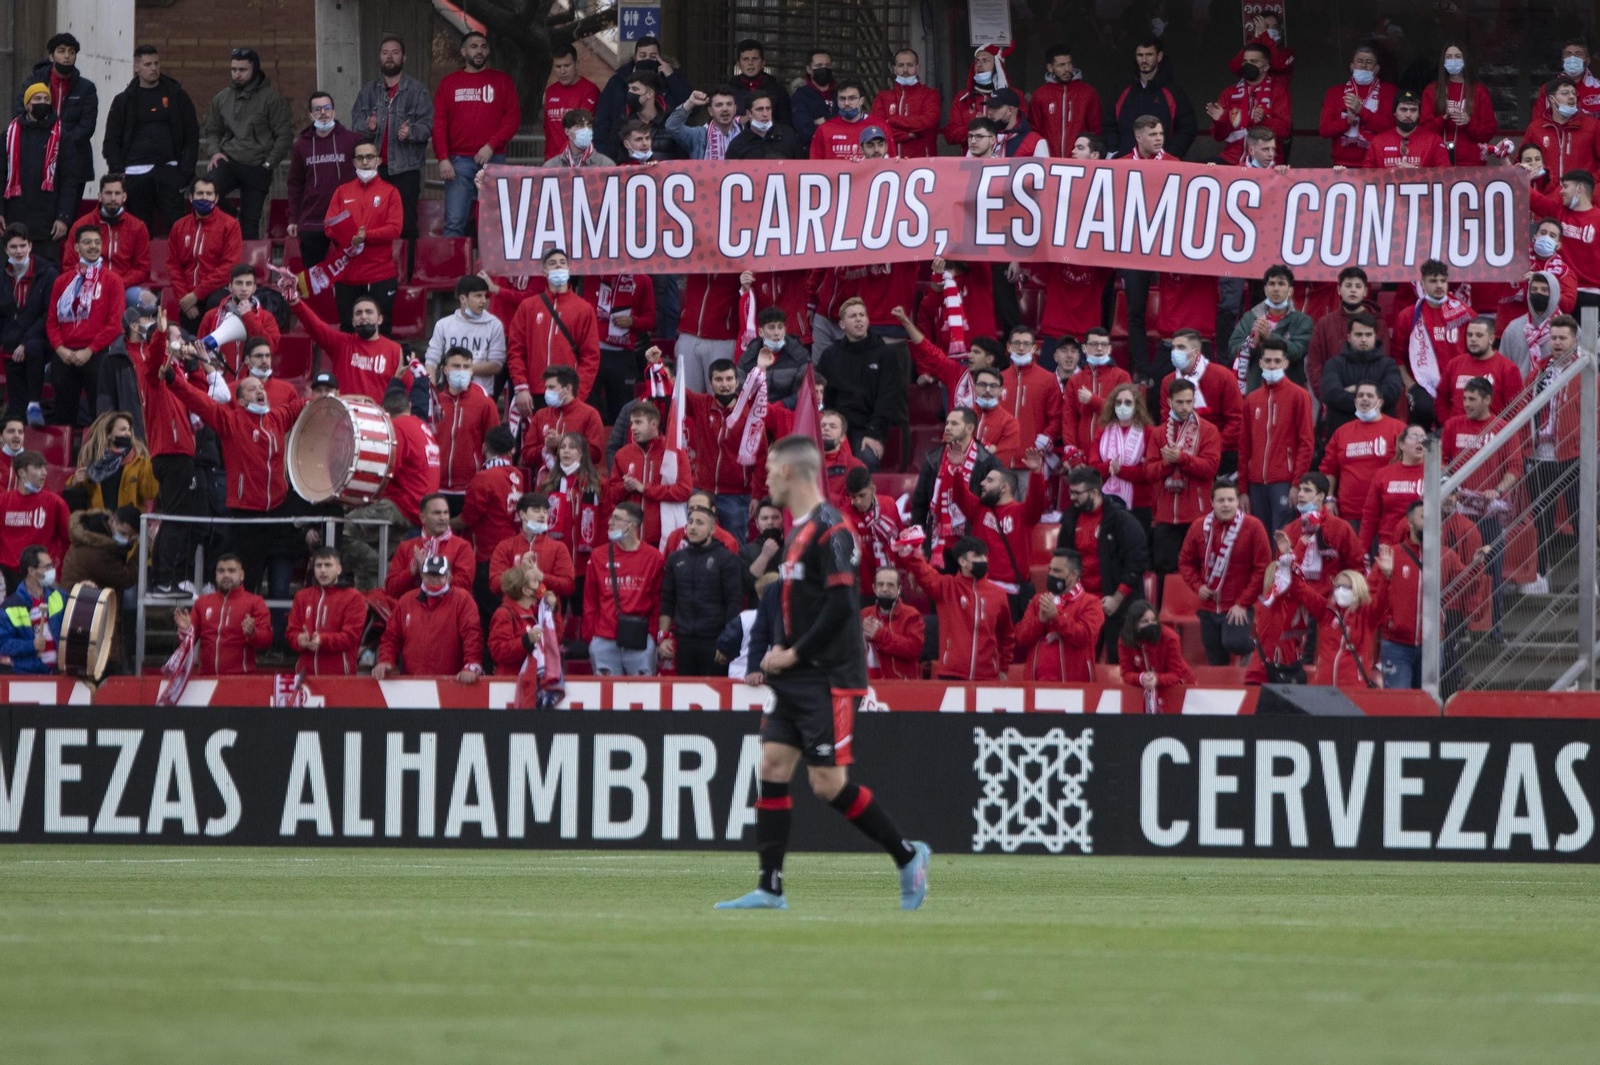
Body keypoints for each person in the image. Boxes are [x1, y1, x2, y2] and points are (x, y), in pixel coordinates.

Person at [716, 434, 931, 912]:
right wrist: (780, 649)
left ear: (790, 473)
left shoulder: (834, 529)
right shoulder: (796, 532)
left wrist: (793, 654)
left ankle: (907, 856)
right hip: (797, 675)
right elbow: (799, 605)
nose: (765, 477)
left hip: (828, 676)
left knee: (827, 783)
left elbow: (841, 606)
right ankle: (770, 887)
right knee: (771, 767)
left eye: (771, 468)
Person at [164, 361, 305, 602]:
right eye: (252, 389)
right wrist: (173, 380)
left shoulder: (278, 418)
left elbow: (306, 405)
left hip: (279, 512)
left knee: (280, 589)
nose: (260, 391)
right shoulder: (231, 421)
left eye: (261, 388)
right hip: (246, 515)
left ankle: (275, 637)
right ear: (239, 401)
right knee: (248, 584)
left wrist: (337, 398)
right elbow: (200, 401)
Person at [102, 45, 199, 237]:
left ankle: (179, 266)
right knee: (139, 231)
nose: (154, 68)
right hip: (134, 174)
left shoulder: (176, 95)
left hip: (170, 171)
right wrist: (120, 172)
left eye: (156, 63)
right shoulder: (124, 100)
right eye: (148, 64)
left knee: (178, 229)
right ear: (136, 67)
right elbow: (111, 141)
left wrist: (185, 172)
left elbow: (191, 134)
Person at [433, 32, 520, 238]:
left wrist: (491, 145)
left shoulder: (503, 81)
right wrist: (443, 159)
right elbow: (438, 123)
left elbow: (512, 119)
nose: (479, 50)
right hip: (457, 163)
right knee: (454, 223)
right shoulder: (448, 83)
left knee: (496, 224)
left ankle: (491, 271)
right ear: (463, 52)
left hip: (494, 160)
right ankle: (453, 271)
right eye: (473, 46)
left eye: (483, 46)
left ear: (488, 50)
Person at [201, 48, 294, 239]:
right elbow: (212, 131)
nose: (237, 74)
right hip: (229, 159)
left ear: (254, 69)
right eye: (234, 69)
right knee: (205, 192)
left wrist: (269, 163)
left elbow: (284, 135)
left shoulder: (271, 99)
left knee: (250, 224)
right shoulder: (221, 98)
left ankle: (247, 268)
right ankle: (230, 216)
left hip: (258, 165)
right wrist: (215, 152)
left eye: (243, 70)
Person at [352, 34, 433, 249]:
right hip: (373, 169)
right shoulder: (368, 91)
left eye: (395, 52)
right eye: (385, 52)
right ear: (379, 57)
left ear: (403, 58)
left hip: (405, 170)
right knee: (372, 223)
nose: (390, 57)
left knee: (406, 225)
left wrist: (412, 132)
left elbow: (428, 127)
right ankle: (375, 273)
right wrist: (369, 127)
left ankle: (407, 274)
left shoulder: (417, 91)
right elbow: (355, 125)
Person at [898, 533, 1014, 681]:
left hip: (986, 675)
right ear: (962, 561)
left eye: (985, 556)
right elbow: (925, 574)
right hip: (952, 673)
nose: (983, 560)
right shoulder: (947, 587)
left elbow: (1006, 634)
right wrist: (914, 554)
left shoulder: (998, 594)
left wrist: (1003, 667)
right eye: (978, 556)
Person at [1178, 481, 1270, 665]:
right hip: (1208, 606)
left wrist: (1243, 603)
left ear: (1238, 502)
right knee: (1215, 660)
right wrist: (1198, 586)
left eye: (1230, 499)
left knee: (1233, 642)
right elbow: (1185, 562)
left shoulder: (1253, 526)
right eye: (1221, 500)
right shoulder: (1199, 526)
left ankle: (1257, 651)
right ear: (1211, 502)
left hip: (1237, 605)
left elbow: (1263, 568)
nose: (1226, 504)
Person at [1276, 530, 1384, 688]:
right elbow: (1300, 588)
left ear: (1357, 589)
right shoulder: (1325, 611)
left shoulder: (1367, 616)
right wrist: (1288, 557)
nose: (1340, 590)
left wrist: (1387, 576)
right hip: (1323, 688)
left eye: (1346, 586)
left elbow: (1383, 600)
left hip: (1354, 689)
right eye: (1337, 586)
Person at [1063, 464, 1147, 663]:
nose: (1072, 498)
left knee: (1120, 661)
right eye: (1070, 492)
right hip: (1084, 605)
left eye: (1077, 493)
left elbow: (1137, 562)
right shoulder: (1070, 520)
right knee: (1080, 662)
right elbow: (1063, 559)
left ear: (1094, 492)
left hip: (1117, 605)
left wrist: (1117, 598)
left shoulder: (1122, 521)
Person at [1144, 378, 1221, 592]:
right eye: (1180, 402)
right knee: (1163, 568)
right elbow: (1149, 472)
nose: (1185, 407)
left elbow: (1210, 469)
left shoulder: (1208, 431)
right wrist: (1168, 463)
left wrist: (1182, 459)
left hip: (1197, 515)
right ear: (1169, 402)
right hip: (1166, 515)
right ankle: (1161, 616)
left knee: (1198, 568)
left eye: (1189, 401)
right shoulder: (1159, 433)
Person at [46, 226, 125, 426]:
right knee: (63, 414)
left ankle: (99, 455)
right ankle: (64, 456)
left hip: (96, 352)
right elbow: (52, 322)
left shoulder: (113, 280)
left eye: (97, 242)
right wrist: (59, 348)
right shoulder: (62, 281)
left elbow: (114, 324)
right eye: (87, 242)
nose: (93, 247)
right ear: (76, 247)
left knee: (100, 415)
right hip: (65, 352)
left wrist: (90, 350)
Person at [952, 455, 1048, 618]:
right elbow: (960, 494)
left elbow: (1038, 501)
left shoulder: (1022, 513)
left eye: (989, 481)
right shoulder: (978, 509)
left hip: (1011, 595)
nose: (982, 483)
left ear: (1004, 487)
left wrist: (1037, 473)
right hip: (980, 589)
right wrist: (956, 469)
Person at [816, 299, 907, 473]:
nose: (858, 320)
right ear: (842, 324)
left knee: (866, 460)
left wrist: (873, 433)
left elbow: (888, 398)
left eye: (862, 315)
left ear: (867, 321)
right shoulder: (830, 355)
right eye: (853, 316)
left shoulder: (885, 354)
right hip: (834, 425)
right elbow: (821, 395)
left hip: (867, 427)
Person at [506, 249, 600, 414]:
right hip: (533, 392)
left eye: (562, 263)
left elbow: (590, 357)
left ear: (569, 270)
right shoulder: (528, 307)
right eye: (552, 263)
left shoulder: (584, 309)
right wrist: (521, 387)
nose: (558, 265)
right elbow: (515, 351)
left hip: (568, 393)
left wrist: (577, 393)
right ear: (544, 272)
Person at [323, 141, 402, 332]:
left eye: (370, 157)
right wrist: (348, 237)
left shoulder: (390, 192)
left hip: (379, 273)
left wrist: (366, 236)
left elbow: (395, 228)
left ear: (378, 160)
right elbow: (328, 226)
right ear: (354, 162)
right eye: (360, 158)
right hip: (347, 275)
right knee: (348, 330)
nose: (365, 162)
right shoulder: (342, 191)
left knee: (381, 331)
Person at [1236, 339, 1313, 531]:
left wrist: (1297, 483)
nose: (1272, 365)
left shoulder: (1299, 396)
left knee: (1282, 537)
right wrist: (1243, 489)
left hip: (1284, 481)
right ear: (1260, 363)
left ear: (1285, 363)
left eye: (1277, 361)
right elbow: (1244, 446)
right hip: (1255, 483)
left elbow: (1306, 443)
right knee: (1259, 536)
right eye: (1268, 361)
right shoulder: (1252, 399)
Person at [581, 501, 665, 676]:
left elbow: (659, 602)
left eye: (617, 519)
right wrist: (592, 637)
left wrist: (652, 635)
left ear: (632, 525)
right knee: (605, 700)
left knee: (642, 698)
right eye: (611, 517)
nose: (610, 522)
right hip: (604, 638)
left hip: (640, 640)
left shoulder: (653, 557)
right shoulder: (598, 555)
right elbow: (590, 600)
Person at [658, 506, 742, 677]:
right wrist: (663, 637)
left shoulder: (726, 559)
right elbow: (667, 601)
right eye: (690, 522)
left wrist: (727, 642)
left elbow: (734, 603)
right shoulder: (676, 558)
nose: (693, 527)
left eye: (699, 523)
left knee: (714, 699)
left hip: (714, 641)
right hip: (682, 641)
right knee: (683, 698)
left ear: (712, 529)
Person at [373, 554, 483, 682]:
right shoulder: (406, 601)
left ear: (448, 576)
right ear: (422, 575)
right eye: (429, 575)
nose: (433, 579)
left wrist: (471, 665)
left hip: (451, 683)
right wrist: (386, 660)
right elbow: (391, 636)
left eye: (438, 575)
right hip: (413, 681)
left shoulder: (462, 600)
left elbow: (472, 635)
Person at [910, 408, 1002, 561]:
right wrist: (917, 543)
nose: (947, 428)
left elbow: (995, 507)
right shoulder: (933, 459)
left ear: (970, 428)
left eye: (954, 423)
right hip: (938, 545)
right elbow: (920, 504)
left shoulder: (988, 462)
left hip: (972, 545)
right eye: (946, 423)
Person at [0, 83, 78, 259]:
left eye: (46, 99)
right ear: (27, 105)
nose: (42, 102)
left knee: (45, 273)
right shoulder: (9, 135)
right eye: (37, 99)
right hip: (15, 218)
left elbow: (69, 179)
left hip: (47, 222)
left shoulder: (61, 136)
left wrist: (63, 217)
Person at [18, 34, 96, 208]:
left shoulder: (87, 88)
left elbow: (87, 126)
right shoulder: (33, 82)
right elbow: (20, 114)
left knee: (69, 216)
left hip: (75, 159)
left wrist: (60, 142)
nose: (67, 56)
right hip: (37, 156)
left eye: (72, 52)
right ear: (52, 56)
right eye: (61, 51)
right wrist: (46, 141)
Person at [285, 286, 403, 400]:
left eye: (369, 312)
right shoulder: (342, 344)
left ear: (380, 319)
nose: (363, 316)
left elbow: (405, 392)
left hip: (376, 416)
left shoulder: (396, 351)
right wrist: (295, 300)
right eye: (358, 313)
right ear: (353, 322)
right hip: (344, 414)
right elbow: (315, 326)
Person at [285, 90, 360, 269]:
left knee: (348, 274)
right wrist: (293, 219)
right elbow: (295, 184)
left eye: (327, 108)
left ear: (334, 112)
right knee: (314, 277)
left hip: (344, 219)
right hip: (311, 221)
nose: (323, 113)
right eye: (317, 109)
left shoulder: (352, 140)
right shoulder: (301, 145)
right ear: (311, 115)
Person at [1395, 259, 1472, 429]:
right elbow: (1398, 358)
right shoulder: (1409, 316)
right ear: (1422, 283)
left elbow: (1472, 352)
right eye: (1433, 280)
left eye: (1442, 281)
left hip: (1456, 383)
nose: (1439, 285)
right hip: (1422, 384)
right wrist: (1411, 386)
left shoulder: (1463, 314)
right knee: (1422, 408)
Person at [1320, 383, 1406, 533]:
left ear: (1380, 402)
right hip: (1350, 513)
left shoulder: (1398, 429)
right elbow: (1329, 469)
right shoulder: (1342, 432)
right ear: (1355, 402)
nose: (1364, 399)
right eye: (1360, 396)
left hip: (1386, 513)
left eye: (1370, 395)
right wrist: (1329, 499)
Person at [1305, 268, 1390, 416]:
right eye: (1348, 285)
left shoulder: (1378, 323)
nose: (1353, 290)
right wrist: (1328, 396)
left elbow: (1383, 362)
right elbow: (1314, 365)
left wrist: (1364, 394)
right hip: (1334, 402)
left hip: (1368, 402)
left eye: (1358, 286)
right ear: (1339, 289)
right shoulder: (1324, 324)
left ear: (1365, 291)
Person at [606, 401, 691, 548]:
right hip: (630, 536)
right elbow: (611, 494)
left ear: (653, 424)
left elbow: (684, 491)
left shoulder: (673, 452)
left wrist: (645, 488)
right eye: (632, 423)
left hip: (662, 535)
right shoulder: (622, 454)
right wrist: (625, 487)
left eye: (638, 422)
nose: (633, 428)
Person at [1015, 548, 1104, 682]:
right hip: (1036, 685)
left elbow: (1083, 636)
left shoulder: (1091, 603)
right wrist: (1041, 620)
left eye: (1057, 571)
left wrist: (1056, 617)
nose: (1050, 574)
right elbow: (1021, 637)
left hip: (1074, 688)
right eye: (1050, 569)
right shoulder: (1038, 601)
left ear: (1073, 575)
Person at [174, 554, 272, 675]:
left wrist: (252, 632)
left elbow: (266, 640)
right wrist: (185, 631)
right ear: (216, 575)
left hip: (241, 680)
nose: (226, 575)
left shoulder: (255, 602)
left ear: (241, 575)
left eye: (231, 571)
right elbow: (187, 643)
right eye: (221, 571)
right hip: (206, 679)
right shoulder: (202, 602)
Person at [0, 224, 59, 425]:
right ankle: (17, 418)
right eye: (13, 247)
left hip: (40, 339)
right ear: (6, 249)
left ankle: (34, 404)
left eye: (22, 246)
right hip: (11, 341)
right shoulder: (2, 275)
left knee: (32, 347)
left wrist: (24, 342)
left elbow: (48, 313)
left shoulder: (47, 273)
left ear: (30, 246)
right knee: (15, 410)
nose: (18, 251)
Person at [167, 176, 242, 329]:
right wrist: (185, 299)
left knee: (215, 304)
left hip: (217, 290)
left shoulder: (230, 225)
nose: (205, 198)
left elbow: (229, 266)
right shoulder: (179, 226)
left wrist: (196, 294)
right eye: (200, 193)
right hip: (188, 293)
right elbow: (173, 265)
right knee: (188, 334)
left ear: (216, 198)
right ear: (191, 197)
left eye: (209, 194)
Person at [593, 37, 691, 154]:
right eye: (643, 56)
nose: (647, 60)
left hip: (663, 151)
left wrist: (672, 77)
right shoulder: (617, 82)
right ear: (635, 58)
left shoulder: (669, 79)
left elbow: (691, 107)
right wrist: (603, 158)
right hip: (623, 153)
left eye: (653, 56)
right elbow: (602, 122)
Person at [1103, 37, 1196, 159]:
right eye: (1140, 55)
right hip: (1125, 162)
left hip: (1161, 166)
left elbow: (1187, 127)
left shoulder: (1173, 91)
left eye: (1149, 55)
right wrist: (1114, 150)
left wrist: (1170, 155)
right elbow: (1108, 123)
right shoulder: (1122, 89)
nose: (1144, 60)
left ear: (1159, 57)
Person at [1159, 328, 1242, 464]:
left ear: (1196, 352)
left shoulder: (1223, 376)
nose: (1175, 352)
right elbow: (1166, 421)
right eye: (1173, 347)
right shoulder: (1168, 381)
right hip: (1180, 452)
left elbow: (1236, 420)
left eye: (1181, 347)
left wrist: (1211, 446)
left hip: (1221, 452)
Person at [1227, 265, 1314, 391]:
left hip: (1289, 392)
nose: (1276, 289)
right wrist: (1252, 344)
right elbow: (1232, 351)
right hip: (1255, 390)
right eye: (1272, 284)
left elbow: (1297, 352)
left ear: (1290, 290)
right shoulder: (1249, 318)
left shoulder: (1303, 321)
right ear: (1265, 289)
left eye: (1281, 284)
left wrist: (1269, 337)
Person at [433, 347, 500, 509]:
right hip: (436, 485)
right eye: (456, 366)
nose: (461, 371)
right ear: (445, 369)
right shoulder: (434, 402)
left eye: (466, 367)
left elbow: (495, 446)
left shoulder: (485, 404)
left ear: (471, 371)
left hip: (470, 486)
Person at [285, 546, 367, 675]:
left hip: (340, 677)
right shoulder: (302, 596)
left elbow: (351, 637)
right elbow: (291, 632)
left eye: (328, 565)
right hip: (305, 676)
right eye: (318, 566)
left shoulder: (354, 597)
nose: (322, 570)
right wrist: (299, 640)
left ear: (339, 569)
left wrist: (322, 640)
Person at [1319, 315, 1403, 440]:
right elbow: (1331, 395)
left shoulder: (1388, 364)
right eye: (1358, 335)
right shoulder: (1334, 364)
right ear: (1349, 337)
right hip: (1342, 435)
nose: (1363, 339)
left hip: (1381, 437)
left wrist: (1355, 388)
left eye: (1368, 335)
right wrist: (1373, 399)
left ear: (1375, 336)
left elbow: (1391, 394)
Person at [61, 174, 151, 291]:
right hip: (87, 285)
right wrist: (90, 282)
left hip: (123, 287)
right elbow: (70, 265)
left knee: (146, 303)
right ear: (99, 196)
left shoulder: (138, 227)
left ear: (124, 197)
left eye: (117, 193)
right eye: (108, 193)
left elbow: (142, 268)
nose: (113, 198)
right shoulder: (81, 225)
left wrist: (117, 284)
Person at [1207, 42, 1291, 166]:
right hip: (1231, 159)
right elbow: (1218, 137)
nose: (1248, 65)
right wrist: (1220, 121)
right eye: (1245, 62)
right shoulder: (1229, 93)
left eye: (1254, 62)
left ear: (1266, 66)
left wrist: (1264, 121)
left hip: (1266, 163)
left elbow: (1285, 130)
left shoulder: (1278, 92)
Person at [1283, 472, 1364, 600]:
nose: (1300, 494)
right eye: (1300, 490)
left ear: (1320, 496)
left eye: (1307, 490)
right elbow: (1282, 571)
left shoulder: (1340, 527)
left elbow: (1357, 566)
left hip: (1330, 600)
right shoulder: (1290, 530)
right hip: (1297, 601)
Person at [487, 491, 576, 603]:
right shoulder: (505, 546)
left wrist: (542, 577)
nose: (542, 515)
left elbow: (569, 586)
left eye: (545, 511)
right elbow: (494, 584)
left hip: (548, 614)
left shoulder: (558, 548)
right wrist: (521, 573)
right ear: (522, 514)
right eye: (536, 510)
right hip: (515, 614)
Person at [1529, 170, 1598, 314]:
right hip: (1560, 292)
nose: (1561, 192)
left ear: (1579, 188)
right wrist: (1508, 164)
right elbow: (1531, 198)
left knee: (1588, 337)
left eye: (1566, 186)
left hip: (1592, 294)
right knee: (1558, 336)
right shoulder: (1558, 212)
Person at [424, 275, 505, 397]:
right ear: (463, 299)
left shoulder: (494, 325)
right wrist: (431, 387)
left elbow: (496, 365)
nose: (483, 300)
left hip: (481, 394)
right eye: (478, 296)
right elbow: (431, 359)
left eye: (484, 295)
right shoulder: (444, 325)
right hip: (447, 393)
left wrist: (459, 368)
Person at [0, 450, 69, 590]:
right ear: (21, 472)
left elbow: (68, 540)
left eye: (44, 468)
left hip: (42, 574)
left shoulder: (55, 503)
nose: (44, 473)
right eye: (37, 468)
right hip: (8, 575)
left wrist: (59, 572)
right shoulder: (3, 501)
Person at [1435, 317, 1523, 424]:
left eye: (1479, 335)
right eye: (1469, 335)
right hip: (1458, 435)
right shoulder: (1455, 364)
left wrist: (1499, 432)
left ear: (1491, 339)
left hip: (1492, 436)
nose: (1473, 339)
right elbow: (1441, 400)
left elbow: (1515, 410)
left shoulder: (1507, 368)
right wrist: (1449, 425)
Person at [385, 493, 475, 598]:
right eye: (437, 513)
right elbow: (391, 590)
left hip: (449, 610)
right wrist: (411, 572)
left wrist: (430, 569)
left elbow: (464, 586)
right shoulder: (406, 547)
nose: (443, 518)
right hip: (413, 609)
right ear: (422, 517)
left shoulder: (462, 547)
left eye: (445, 513)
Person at [1318, 45, 1395, 168]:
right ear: (1352, 67)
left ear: (1376, 69)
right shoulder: (1335, 92)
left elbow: (1390, 127)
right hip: (1342, 164)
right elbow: (1324, 130)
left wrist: (1361, 111)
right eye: (1359, 61)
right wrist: (1347, 121)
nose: (1363, 65)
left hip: (1376, 162)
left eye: (1369, 62)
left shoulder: (1389, 91)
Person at [195, 263, 279, 376]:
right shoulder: (211, 316)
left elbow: (270, 348)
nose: (244, 288)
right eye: (239, 283)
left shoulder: (267, 317)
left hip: (253, 385)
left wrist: (248, 316)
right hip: (220, 384)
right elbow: (200, 350)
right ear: (230, 287)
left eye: (248, 284)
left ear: (254, 288)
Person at [1423, 43, 1497, 166]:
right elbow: (1424, 131)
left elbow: (1489, 132)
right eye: (1449, 57)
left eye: (1457, 56)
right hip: (1438, 161)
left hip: (1471, 164)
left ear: (1465, 60)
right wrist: (1443, 119)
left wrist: (1469, 122)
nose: (1453, 60)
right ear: (1443, 61)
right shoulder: (1431, 90)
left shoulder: (1478, 90)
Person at [1359, 424, 1428, 555]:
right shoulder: (1383, 474)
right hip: (1388, 545)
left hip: (1421, 545)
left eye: (1422, 437)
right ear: (1401, 445)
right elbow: (1370, 515)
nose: (1420, 441)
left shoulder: (1435, 473)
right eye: (1414, 437)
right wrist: (1362, 549)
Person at [1062, 328, 1131, 453]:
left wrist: (1093, 400)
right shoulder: (1075, 380)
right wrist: (1071, 450)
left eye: (1104, 345)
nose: (1099, 349)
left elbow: (1125, 412)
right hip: (1083, 451)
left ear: (1110, 349)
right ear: (1084, 349)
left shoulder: (1121, 376)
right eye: (1094, 344)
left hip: (1112, 451)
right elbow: (1069, 419)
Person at [1118, 600, 1194, 713]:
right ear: (1134, 624)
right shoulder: (1125, 641)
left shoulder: (1170, 637)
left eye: (1153, 620)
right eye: (1145, 622)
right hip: (1148, 690)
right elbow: (1126, 673)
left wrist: (1157, 679)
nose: (1151, 625)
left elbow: (1175, 674)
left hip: (1179, 687)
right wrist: (1141, 678)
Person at [1027, 45, 1101, 158]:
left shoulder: (1088, 92)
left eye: (1069, 64)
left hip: (1080, 160)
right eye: (1061, 65)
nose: (1067, 69)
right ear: (1050, 67)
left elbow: (1095, 130)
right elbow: (1034, 131)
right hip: (1049, 160)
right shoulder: (1040, 94)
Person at [487, 558, 559, 676]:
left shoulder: (536, 611)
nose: (541, 585)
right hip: (508, 684)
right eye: (535, 582)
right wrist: (525, 641)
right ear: (526, 590)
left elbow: (556, 637)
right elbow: (497, 651)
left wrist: (552, 609)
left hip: (529, 681)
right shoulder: (504, 614)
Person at [0, 544, 64, 673]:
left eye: (52, 565)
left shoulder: (59, 595)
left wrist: (84, 588)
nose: (52, 570)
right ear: (32, 571)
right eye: (47, 567)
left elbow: (78, 610)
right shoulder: (11, 607)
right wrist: (31, 645)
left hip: (59, 673)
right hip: (29, 675)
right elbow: (3, 644)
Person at [529, 363, 606, 471]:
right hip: (545, 481)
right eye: (546, 388)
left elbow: (595, 454)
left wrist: (563, 443)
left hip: (577, 481)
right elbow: (527, 454)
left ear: (568, 389)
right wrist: (546, 448)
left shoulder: (590, 414)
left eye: (551, 387)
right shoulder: (540, 415)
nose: (546, 392)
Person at [1525, 79, 1600, 185]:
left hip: (1581, 196)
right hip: (1546, 197)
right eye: (1565, 93)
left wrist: (1588, 183)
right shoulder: (1535, 128)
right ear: (1551, 99)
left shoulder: (1593, 126)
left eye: (1574, 93)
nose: (1571, 96)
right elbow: (1521, 163)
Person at [868, 49, 940, 158]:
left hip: (922, 163)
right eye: (901, 65)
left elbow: (929, 122)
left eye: (910, 65)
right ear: (894, 69)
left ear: (918, 67)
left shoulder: (930, 94)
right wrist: (906, 135)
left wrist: (892, 121)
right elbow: (878, 128)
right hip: (890, 163)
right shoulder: (883, 97)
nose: (905, 70)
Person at [1500, 270, 1565, 379]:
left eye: (1544, 290)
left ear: (1554, 294)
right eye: (1534, 289)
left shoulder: (1568, 329)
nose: (1538, 293)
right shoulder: (1513, 328)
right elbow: (1502, 367)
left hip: (1557, 392)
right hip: (1520, 393)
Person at [1361, 92, 1450, 169]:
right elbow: (1367, 175)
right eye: (1403, 109)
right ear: (1394, 112)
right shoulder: (1378, 141)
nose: (1408, 114)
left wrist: (1418, 173)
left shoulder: (1434, 140)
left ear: (1419, 113)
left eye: (1413, 110)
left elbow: (1445, 174)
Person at [540, 43, 600, 158]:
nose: (562, 71)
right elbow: (547, 129)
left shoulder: (589, 90)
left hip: (578, 160)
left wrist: (562, 157)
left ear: (576, 64)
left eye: (567, 65)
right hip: (552, 160)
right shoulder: (550, 91)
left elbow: (581, 128)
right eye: (558, 67)